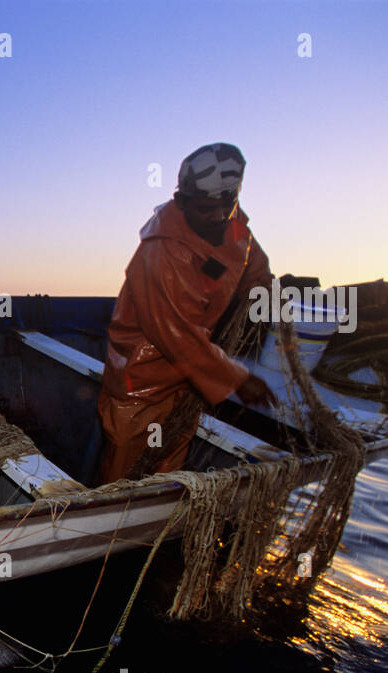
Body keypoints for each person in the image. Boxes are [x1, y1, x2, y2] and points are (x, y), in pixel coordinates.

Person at [97, 143, 276, 484]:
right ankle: (112, 528)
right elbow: (178, 338)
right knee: (124, 473)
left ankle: (153, 527)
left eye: (225, 207)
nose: (215, 217)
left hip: (190, 377)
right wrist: (238, 378)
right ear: (182, 199)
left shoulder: (232, 222)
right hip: (142, 380)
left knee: (168, 463)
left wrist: (264, 289)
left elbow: (250, 260)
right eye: (204, 208)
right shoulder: (163, 252)